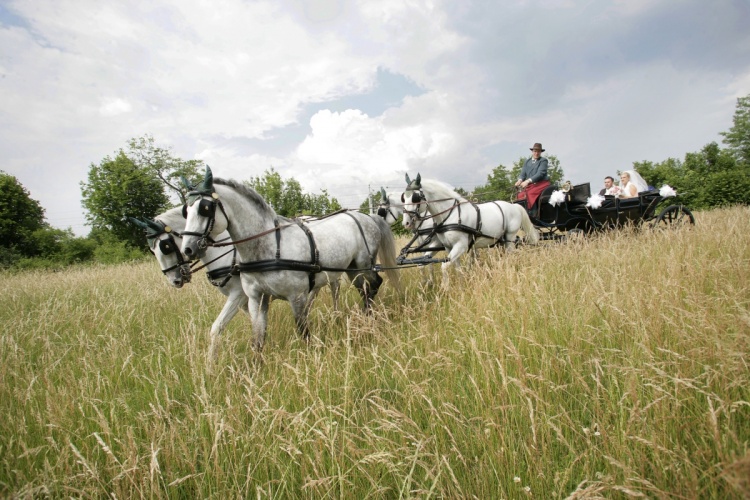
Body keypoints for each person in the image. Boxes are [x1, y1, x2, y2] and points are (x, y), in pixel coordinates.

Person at [515, 142, 551, 213]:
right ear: (532, 151)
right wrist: (519, 180)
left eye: (538, 151)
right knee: (520, 195)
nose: (536, 153)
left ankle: (533, 215)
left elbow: (540, 174)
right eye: (535, 151)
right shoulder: (527, 162)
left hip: (541, 183)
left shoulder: (543, 161)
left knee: (529, 194)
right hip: (532, 184)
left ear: (540, 152)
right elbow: (523, 174)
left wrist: (527, 181)